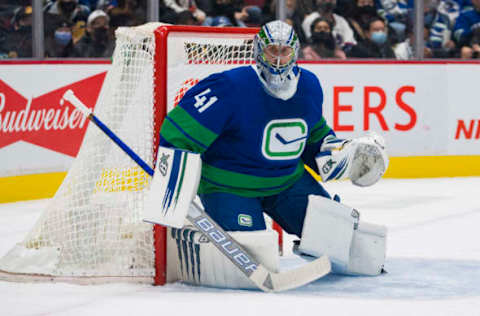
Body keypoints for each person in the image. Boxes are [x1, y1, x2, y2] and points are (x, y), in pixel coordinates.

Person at [159, 20, 388, 285]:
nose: (278, 59)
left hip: (287, 182)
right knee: (257, 256)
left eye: (284, 51)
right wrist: (173, 184)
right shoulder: (229, 87)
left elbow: (313, 136)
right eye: (272, 51)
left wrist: (339, 154)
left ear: (295, 52)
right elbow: (176, 134)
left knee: (348, 244)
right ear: (259, 50)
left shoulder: (309, 86)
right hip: (230, 187)